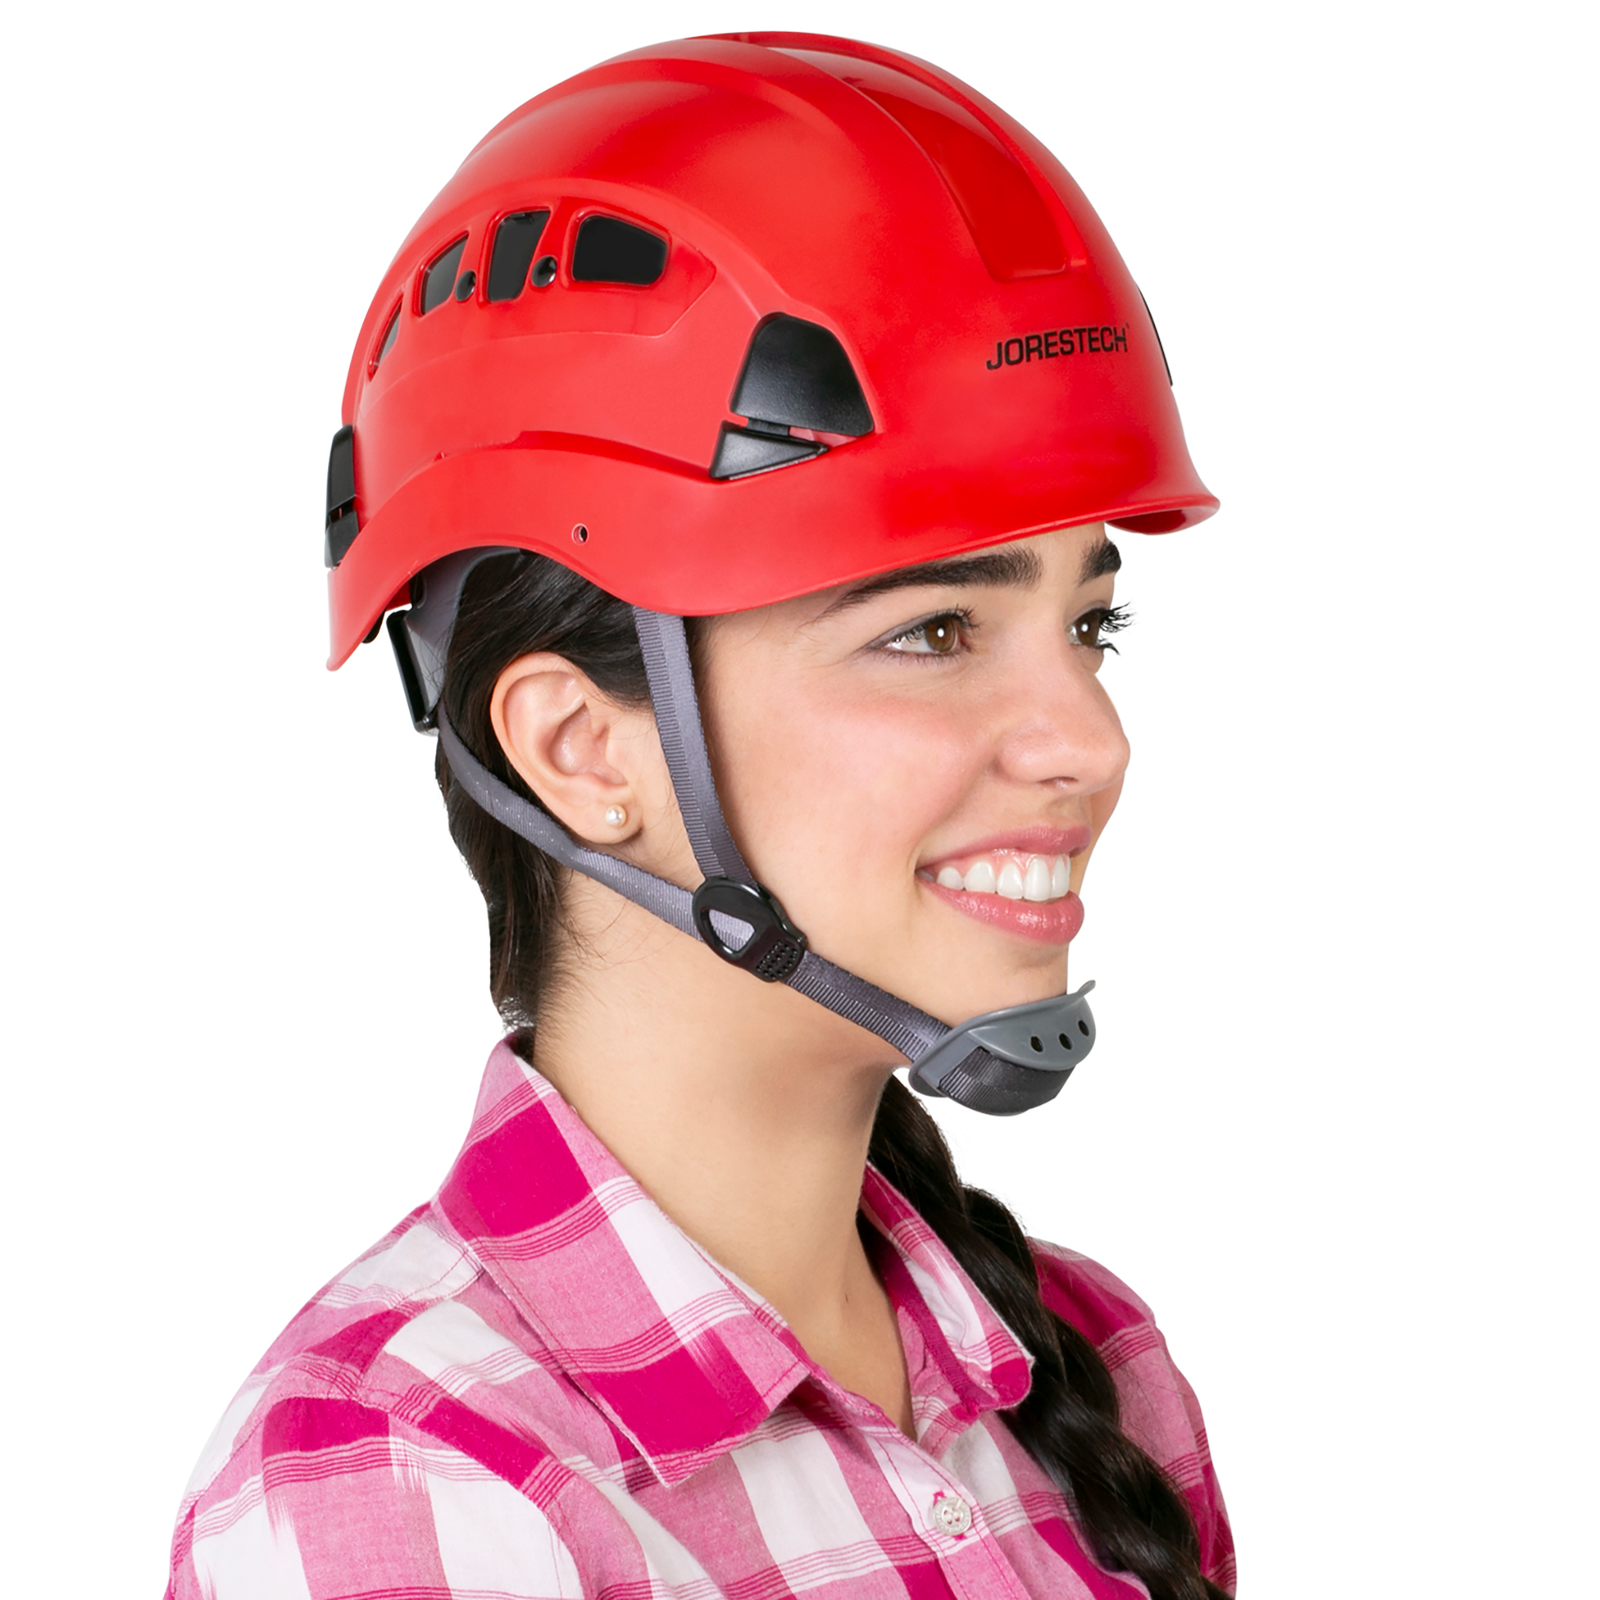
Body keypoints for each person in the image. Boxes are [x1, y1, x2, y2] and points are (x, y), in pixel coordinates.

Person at [166, 33, 1235, 1600]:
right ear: (581, 748)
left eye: (1092, 626)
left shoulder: (1089, 1367)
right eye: (934, 633)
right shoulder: (401, 1485)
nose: (1091, 741)